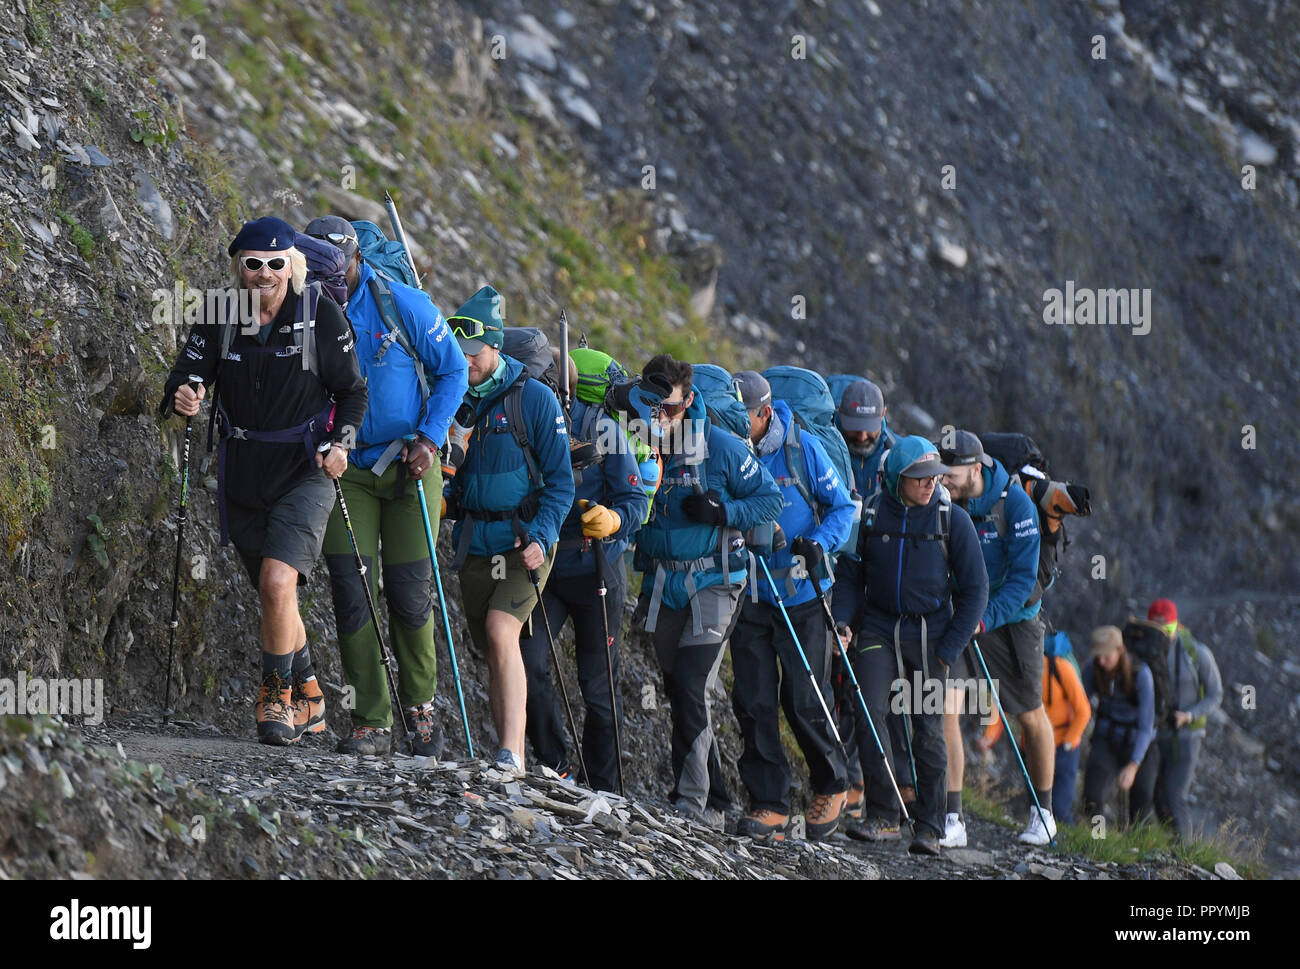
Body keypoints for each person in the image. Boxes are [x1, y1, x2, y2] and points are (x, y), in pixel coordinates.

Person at [158, 217, 368, 745]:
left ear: (293, 265)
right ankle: (312, 694)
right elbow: (186, 375)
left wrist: (341, 444)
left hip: (305, 468)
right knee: (274, 594)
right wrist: (186, 394)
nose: (265, 273)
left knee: (279, 583)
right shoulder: (219, 312)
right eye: (254, 264)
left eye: (276, 263)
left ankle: (276, 695)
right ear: (240, 268)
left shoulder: (320, 313)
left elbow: (353, 393)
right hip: (243, 470)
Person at [308, 215, 468, 757]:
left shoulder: (401, 303)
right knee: (352, 591)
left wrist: (430, 436)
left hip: (409, 466)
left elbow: (454, 370)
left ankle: (420, 712)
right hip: (343, 467)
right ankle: (370, 720)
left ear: (356, 260)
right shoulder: (303, 307)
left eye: (334, 265)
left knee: (408, 593)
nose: (325, 275)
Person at [631, 355, 783, 830]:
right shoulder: (634, 444)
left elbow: (770, 499)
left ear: (689, 401)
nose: (661, 417)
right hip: (662, 584)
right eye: (652, 407)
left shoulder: (718, 446)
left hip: (716, 581)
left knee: (692, 683)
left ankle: (691, 803)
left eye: (670, 409)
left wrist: (722, 511)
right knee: (682, 689)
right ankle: (718, 798)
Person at [833, 436, 989, 854]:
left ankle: (930, 826)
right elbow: (850, 575)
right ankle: (882, 815)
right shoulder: (869, 514)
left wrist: (948, 649)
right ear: (896, 479)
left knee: (927, 729)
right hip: (879, 627)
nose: (929, 484)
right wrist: (843, 622)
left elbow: (976, 591)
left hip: (931, 635)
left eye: (934, 477)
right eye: (919, 478)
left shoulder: (952, 520)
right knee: (869, 712)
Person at [443, 285, 575, 775]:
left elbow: (561, 485)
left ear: (496, 347)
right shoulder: (455, 400)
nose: (468, 361)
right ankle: (505, 751)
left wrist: (541, 536)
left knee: (503, 632)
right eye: (462, 353)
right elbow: (457, 484)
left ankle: (512, 756)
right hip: (477, 543)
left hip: (524, 545)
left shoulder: (535, 400)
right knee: (492, 648)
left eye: (475, 353)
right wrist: (442, 503)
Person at [728, 371, 855, 840]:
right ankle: (769, 802)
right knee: (753, 699)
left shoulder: (802, 449)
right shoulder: (729, 447)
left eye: (742, 415)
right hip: (750, 595)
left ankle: (833, 782)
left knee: (804, 696)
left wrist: (819, 544)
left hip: (802, 596)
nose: (735, 423)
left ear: (764, 412)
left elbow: (843, 507)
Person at [519, 350, 650, 790]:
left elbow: (635, 503)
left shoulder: (604, 430)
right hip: (548, 568)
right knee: (528, 660)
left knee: (598, 684)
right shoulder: (525, 426)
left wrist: (613, 520)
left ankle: (606, 789)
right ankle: (555, 766)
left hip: (598, 567)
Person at [941, 429, 1055, 846]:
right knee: (943, 707)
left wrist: (983, 618)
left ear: (975, 468)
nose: (943, 481)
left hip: (1011, 622)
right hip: (965, 617)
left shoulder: (1017, 506)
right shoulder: (947, 499)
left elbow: (1024, 582)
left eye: (950, 474)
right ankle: (952, 818)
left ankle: (1043, 813)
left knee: (1029, 714)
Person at [830, 378, 914, 819]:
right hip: (842, 572)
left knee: (887, 692)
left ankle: (901, 781)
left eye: (868, 428)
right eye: (852, 427)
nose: (860, 436)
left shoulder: (899, 457)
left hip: (885, 581)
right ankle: (852, 779)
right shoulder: (831, 443)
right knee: (841, 679)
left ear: (884, 418)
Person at [976, 631, 1091, 824]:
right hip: (1030, 746)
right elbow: (1000, 707)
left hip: (1063, 747)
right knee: (1037, 803)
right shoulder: (1015, 673)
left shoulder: (1060, 668)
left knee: (1060, 807)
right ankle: (1044, 839)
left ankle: (1066, 843)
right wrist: (988, 737)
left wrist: (1070, 741)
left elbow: (1083, 709)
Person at [1135, 598, 1224, 839]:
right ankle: (1174, 846)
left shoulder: (1198, 654)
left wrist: (1190, 714)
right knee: (1157, 796)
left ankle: (1187, 853)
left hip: (1188, 735)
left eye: (1169, 629)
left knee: (1175, 796)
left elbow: (1216, 694)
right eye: (1157, 629)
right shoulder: (1143, 652)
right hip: (1157, 733)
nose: (1164, 634)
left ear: (1178, 625)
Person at [1081, 625, 1156, 826]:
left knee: (1141, 803)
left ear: (1120, 650)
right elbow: (1081, 704)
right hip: (1106, 739)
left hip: (1137, 742)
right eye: (1098, 656)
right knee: (1092, 797)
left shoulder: (1141, 674)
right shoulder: (1093, 668)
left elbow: (1146, 726)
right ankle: (1099, 843)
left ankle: (1140, 849)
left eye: (1106, 656)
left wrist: (1133, 766)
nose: (1102, 662)